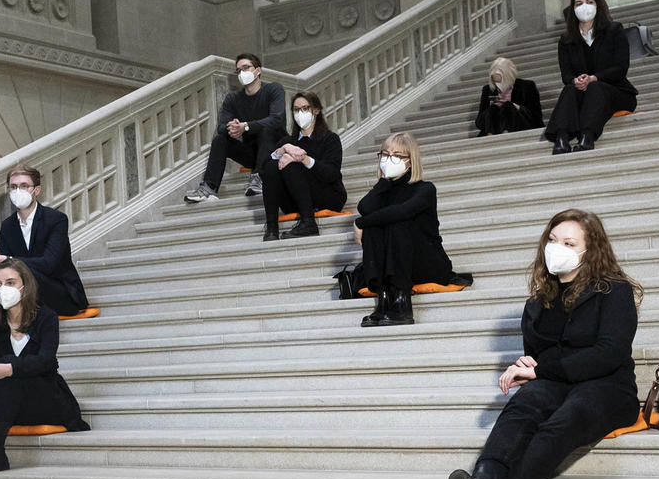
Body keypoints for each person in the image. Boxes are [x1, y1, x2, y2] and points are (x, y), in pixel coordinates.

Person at [440, 210, 641, 479]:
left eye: (568, 242)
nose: (556, 247)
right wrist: (524, 367)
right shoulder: (538, 303)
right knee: (522, 409)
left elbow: (609, 353)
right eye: (552, 240)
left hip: (608, 387)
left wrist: (541, 369)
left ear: (590, 250)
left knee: (565, 419)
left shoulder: (613, 291)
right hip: (556, 382)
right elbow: (538, 357)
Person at [0, 259, 88, 475]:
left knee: (7, 362)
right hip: (6, 406)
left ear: (25, 285)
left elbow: (46, 361)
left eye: (10, 282)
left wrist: (9, 368)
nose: (3, 289)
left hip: (44, 399)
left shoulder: (46, 317)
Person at [0, 164, 87, 341]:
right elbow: (5, 267)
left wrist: (7, 259)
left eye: (24, 186)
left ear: (37, 190)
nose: (18, 191)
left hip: (57, 294)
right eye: (13, 187)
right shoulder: (8, 225)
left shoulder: (56, 220)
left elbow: (49, 264)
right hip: (23, 291)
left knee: (26, 273)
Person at [351, 132, 456, 327]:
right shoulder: (384, 191)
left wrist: (360, 223)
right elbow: (364, 208)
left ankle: (402, 304)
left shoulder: (425, 189)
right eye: (385, 154)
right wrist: (383, 181)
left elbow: (402, 211)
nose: (389, 160)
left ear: (410, 161)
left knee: (396, 220)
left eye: (397, 156)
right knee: (374, 226)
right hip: (394, 267)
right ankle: (384, 301)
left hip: (426, 262)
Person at [545, 0, 637, 154]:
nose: (584, 7)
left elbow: (620, 68)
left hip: (617, 92)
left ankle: (587, 135)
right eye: (579, 3)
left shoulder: (614, 30)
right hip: (584, 93)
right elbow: (566, 74)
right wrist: (575, 80)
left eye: (589, 2)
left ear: (597, 6)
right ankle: (562, 137)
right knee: (569, 89)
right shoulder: (566, 40)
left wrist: (594, 78)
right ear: (573, 10)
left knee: (595, 86)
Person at [185, 52, 286, 202]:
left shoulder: (273, 90)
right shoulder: (232, 98)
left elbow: (277, 119)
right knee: (220, 139)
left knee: (266, 128)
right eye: (239, 70)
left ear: (258, 70)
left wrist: (245, 127)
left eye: (246, 68)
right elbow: (220, 127)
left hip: (276, 151)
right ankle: (208, 188)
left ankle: (259, 178)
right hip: (252, 154)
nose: (242, 73)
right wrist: (231, 127)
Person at [259, 91, 346, 240]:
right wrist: (283, 150)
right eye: (297, 110)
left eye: (305, 108)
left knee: (291, 163)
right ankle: (272, 228)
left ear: (316, 111)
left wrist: (303, 159)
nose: (301, 113)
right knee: (273, 165)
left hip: (327, 195)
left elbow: (331, 173)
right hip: (295, 200)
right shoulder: (288, 141)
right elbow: (264, 171)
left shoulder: (330, 139)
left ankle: (309, 223)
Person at [472, 55, 544, 136]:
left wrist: (516, 107)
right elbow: (478, 122)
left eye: (500, 82)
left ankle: (506, 134)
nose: (498, 85)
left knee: (508, 106)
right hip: (495, 128)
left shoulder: (527, 86)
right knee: (493, 108)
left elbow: (536, 117)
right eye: (495, 82)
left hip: (520, 125)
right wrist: (490, 110)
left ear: (508, 77)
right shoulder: (487, 90)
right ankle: (490, 136)